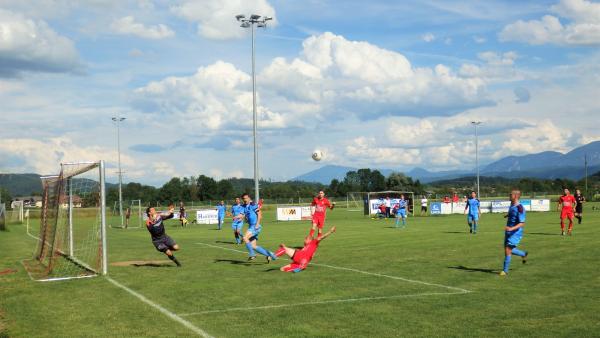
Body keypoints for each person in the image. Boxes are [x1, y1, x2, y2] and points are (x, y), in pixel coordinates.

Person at [241, 193, 276, 262]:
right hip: (251, 226)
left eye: (245, 198)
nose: (244, 200)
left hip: (255, 226)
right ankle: (270, 255)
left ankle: (252, 254)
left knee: (245, 237)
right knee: (253, 246)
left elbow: (259, 214)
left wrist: (257, 224)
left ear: (249, 198)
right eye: (243, 199)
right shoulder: (245, 206)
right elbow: (242, 215)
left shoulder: (253, 204)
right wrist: (236, 217)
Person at [500, 190, 528, 276]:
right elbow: (512, 213)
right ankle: (523, 254)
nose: (509, 195)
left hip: (516, 233)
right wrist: (507, 215)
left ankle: (505, 271)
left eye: (510, 194)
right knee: (508, 250)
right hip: (509, 231)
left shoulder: (520, 208)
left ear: (515, 196)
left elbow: (522, 223)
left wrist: (512, 228)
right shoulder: (512, 205)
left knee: (508, 249)